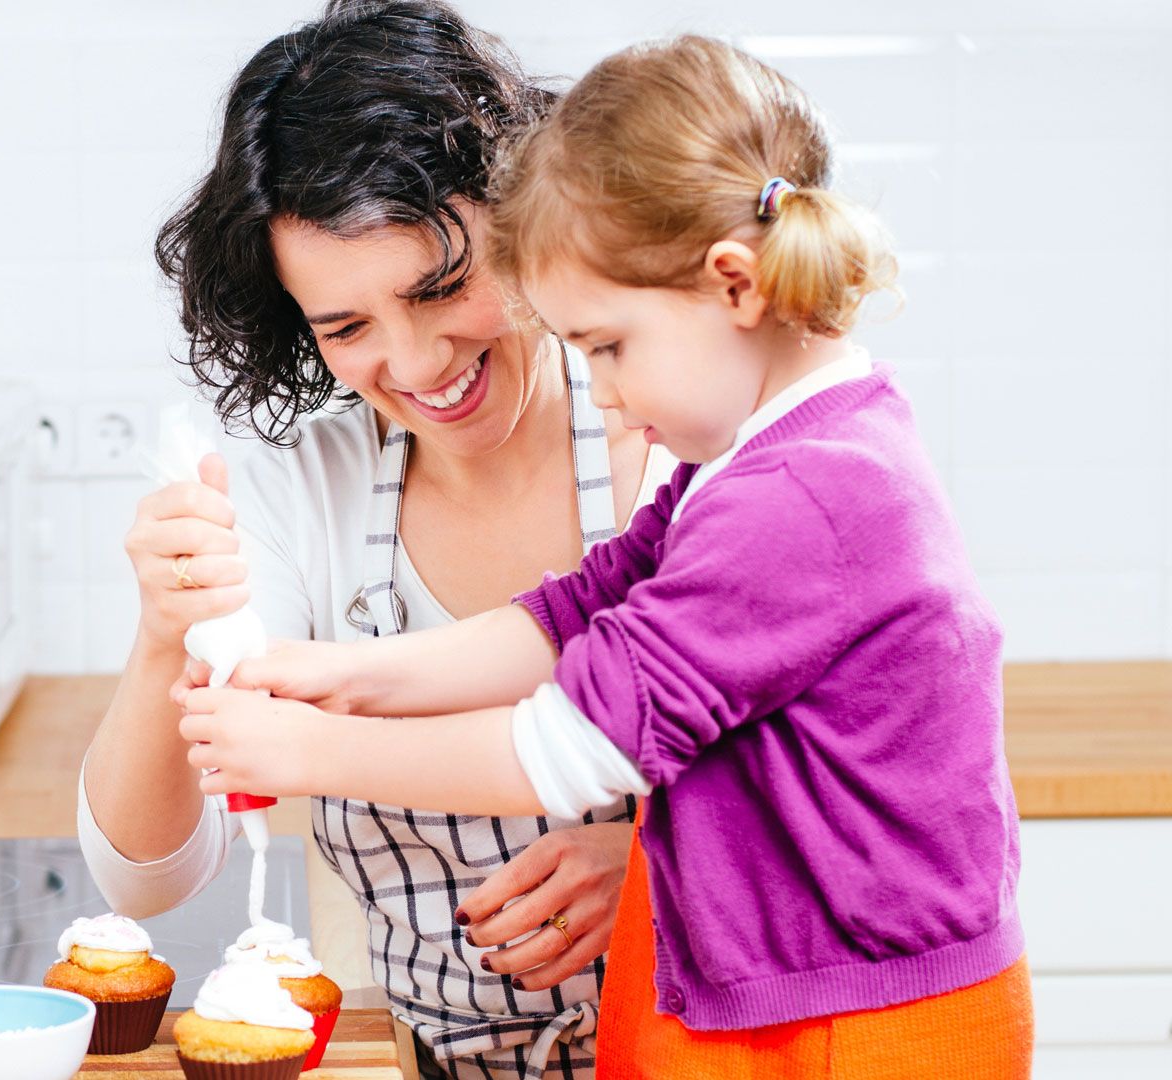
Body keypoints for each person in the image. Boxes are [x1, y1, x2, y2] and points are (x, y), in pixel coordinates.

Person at [177, 34, 1034, 1078]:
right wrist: (350, 675)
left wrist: (314, 754)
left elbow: (567, 748)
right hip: (770, 996)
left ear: (734, 286)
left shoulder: (804, 494)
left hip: (856, 1025)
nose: (605, 395)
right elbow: (583, 612)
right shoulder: (758, 460)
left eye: (609, 349)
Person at [77, 3, 673, 1076]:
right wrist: (168, 633)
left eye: (443, 287)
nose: (416, 362)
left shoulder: (668, 422)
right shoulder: (300, 494)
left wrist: (666, 867)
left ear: (521, 211)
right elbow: (146, 882)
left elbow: (834, 773)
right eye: (344, 328)